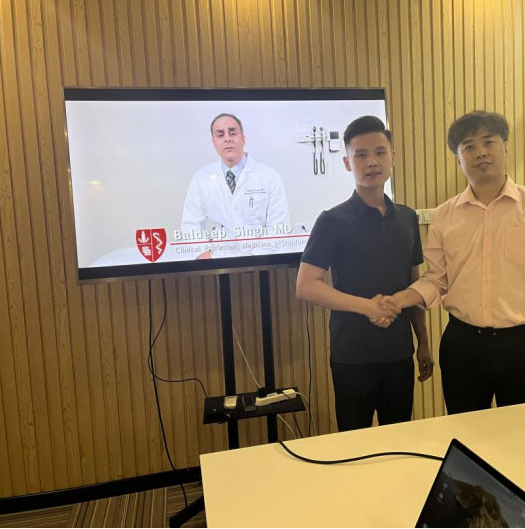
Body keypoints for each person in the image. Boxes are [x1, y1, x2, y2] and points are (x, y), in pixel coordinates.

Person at [383, 110, 525, 415]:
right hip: (463, 345)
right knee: (466, 431)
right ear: (458, 158)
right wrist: (398, 300)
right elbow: (436, 279)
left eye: (489, 142)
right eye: (469, 147)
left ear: (505, 146)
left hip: (523, 345)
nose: (481, 152)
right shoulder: (445, 215)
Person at [296, 115, 433, 432]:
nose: (372, 162)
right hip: (352, 355)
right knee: (354, 443)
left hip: (399, 352)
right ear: (347, 163)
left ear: (393, 157)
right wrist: (367, 307)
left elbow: (414, 284)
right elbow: (306, 286)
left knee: (399, 439)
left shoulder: (407, 218)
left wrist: (423, 342)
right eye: (361, 155)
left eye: (380, 152)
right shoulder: (332, 220)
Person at [181, 113, 290, 257]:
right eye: (220, 135)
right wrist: (205, 256)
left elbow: (278, 227)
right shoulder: (201, 179)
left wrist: (255, 259)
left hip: (261, 261)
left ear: (243, 139)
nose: (227, 139)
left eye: (232, 133)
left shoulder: (270, 177)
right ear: (213, 142)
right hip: (218, 262)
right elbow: (190, 224)